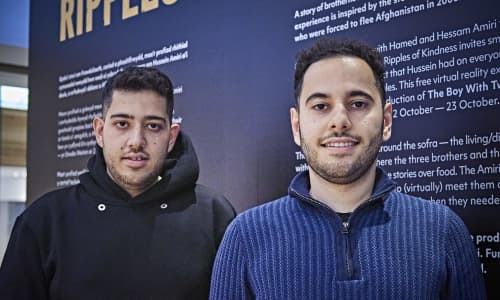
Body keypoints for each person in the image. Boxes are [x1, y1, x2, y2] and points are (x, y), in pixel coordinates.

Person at [210, 39, 486, 299]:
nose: (339, 120)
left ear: (386, 120)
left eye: (358, 104)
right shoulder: (246, 237)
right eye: (320, 106)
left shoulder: (443, 231)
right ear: (296, 126)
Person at [0, 67, 235, 299]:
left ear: (171, 137)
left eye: (153, 126)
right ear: (100, 131)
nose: (136, 141)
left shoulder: (214, 216)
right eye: (122, 124)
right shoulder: (43, 221)